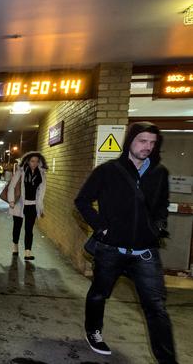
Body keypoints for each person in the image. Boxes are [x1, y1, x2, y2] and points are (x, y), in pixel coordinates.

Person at [74, 122, 176, 363]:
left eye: (152, 143)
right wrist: (102, 228)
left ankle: (168, 360)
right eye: (142, 141)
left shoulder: (160, 173)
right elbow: (82, 201)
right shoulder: (108, 171)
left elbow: (162, 205)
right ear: (130, 141)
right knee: (99, 293)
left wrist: (158, 226)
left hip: (145, 253)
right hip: (111, 249)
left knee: (156, 308)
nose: (147, 147)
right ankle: (94, 332)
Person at [8, 152, 47, 260]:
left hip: (33, 205)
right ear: (27, 161)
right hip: (20, 204)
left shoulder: (41, 173)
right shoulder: (21, 171)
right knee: (17, 227)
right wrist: (11, 200)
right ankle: (15, 245)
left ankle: (27, 252)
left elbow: (41, 193)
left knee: (29, 229)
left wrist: (41, 208)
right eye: (32, 161)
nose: (34, 164)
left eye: (36, 161)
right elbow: (12, 185)